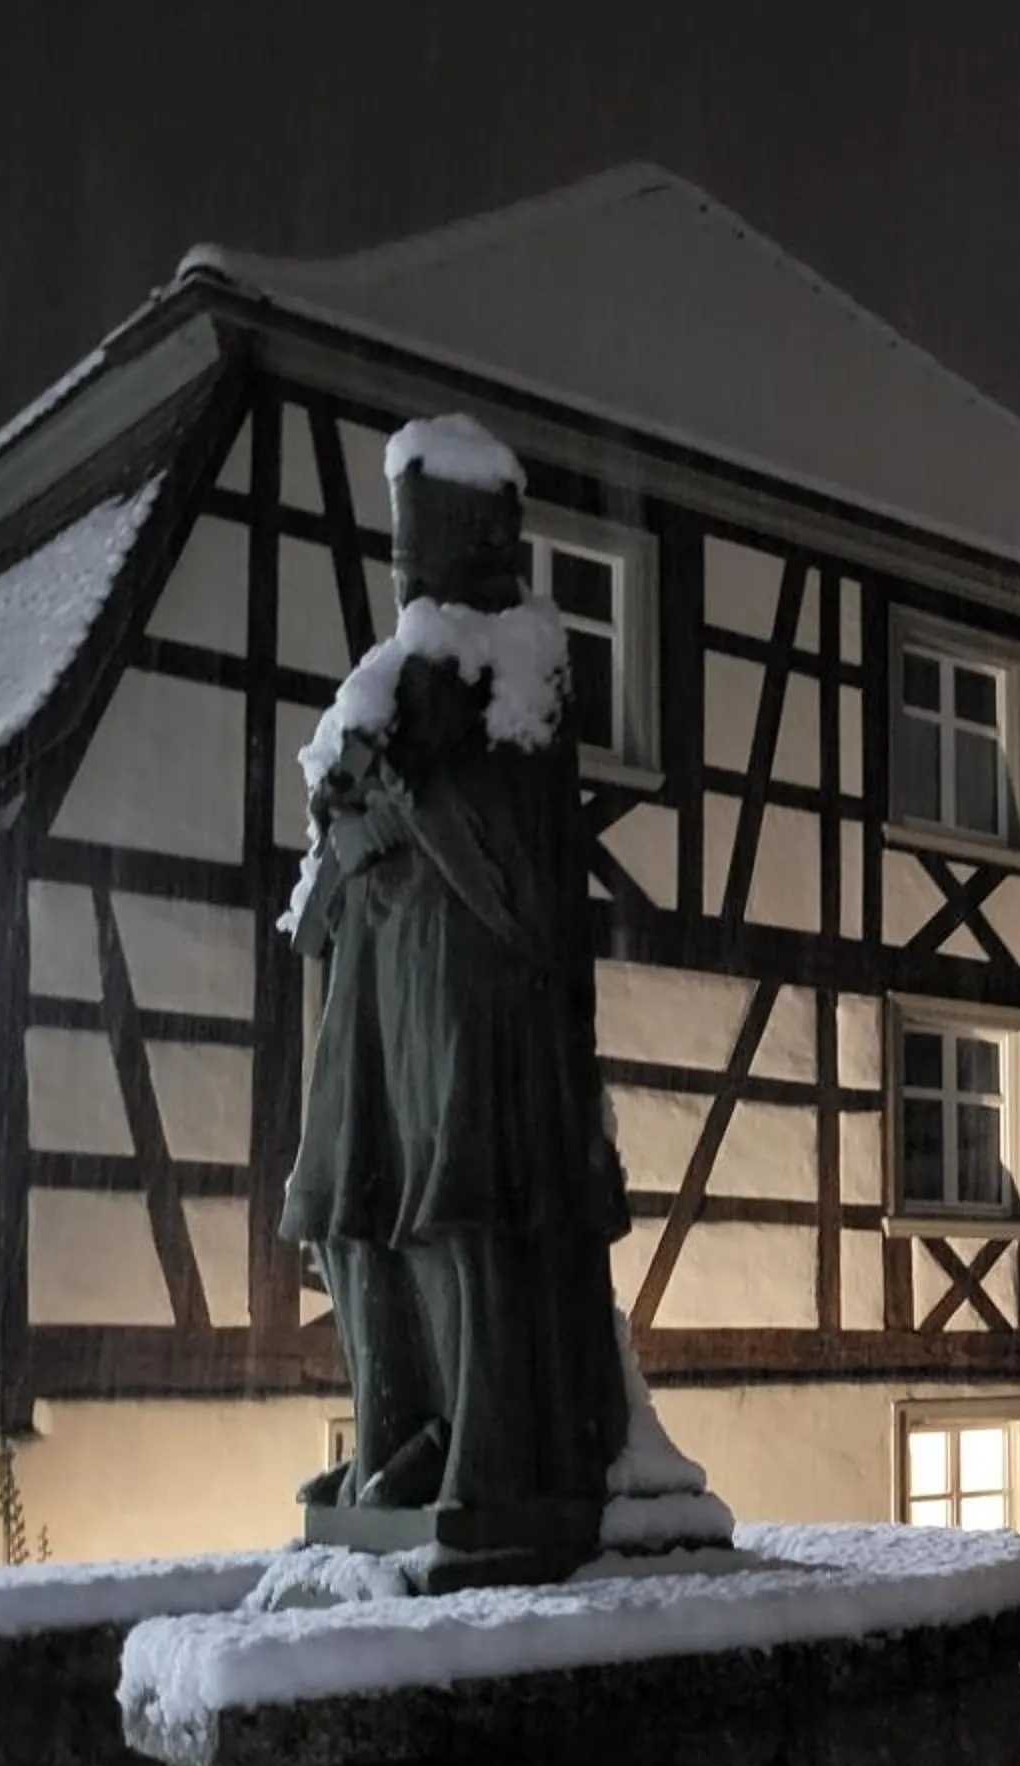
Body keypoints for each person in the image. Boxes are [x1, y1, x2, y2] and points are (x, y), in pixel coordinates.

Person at [279, 416, 627, 1561]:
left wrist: (410, 801)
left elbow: (523, 885)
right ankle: (396, 1430)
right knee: (350, 1216)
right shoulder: (385, 680)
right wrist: (351, 812)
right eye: (400, 550)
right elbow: (313, 913)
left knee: (459, 1212)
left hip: (468, 1005)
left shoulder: (522, 665)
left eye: (421, 545)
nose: (407, 572)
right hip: (376, 1003)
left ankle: (486, 1445)